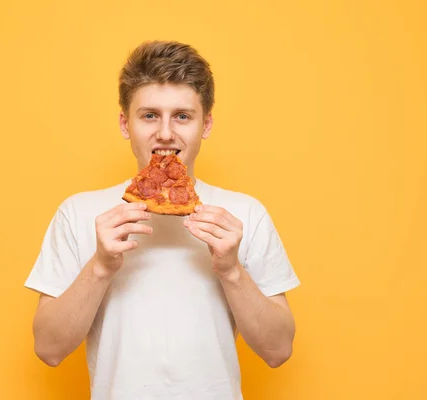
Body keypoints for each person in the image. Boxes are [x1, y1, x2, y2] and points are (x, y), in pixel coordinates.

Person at [24, 40, 300, 400]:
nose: (166, 133)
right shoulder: (78, 213)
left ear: (207, 124)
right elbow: (49, 349)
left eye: (183, 116)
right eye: (149, 115)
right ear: (126, 123)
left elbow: (278, 351)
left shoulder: (245, 214)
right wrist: (101, 266)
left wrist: (232, 270)